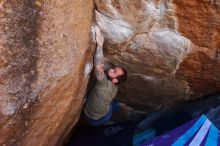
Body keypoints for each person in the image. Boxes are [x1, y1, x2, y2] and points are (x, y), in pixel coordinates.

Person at [83, 25, 127, 126]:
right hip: (105, 113)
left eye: (114, 72)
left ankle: (109, 118)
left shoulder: (103, 84)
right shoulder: (115, 87)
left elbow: (98, 66)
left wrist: (99, 45)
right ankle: (117, 107)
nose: (111, 69)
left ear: (115, 80)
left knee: (108, 109)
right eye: (114, 69)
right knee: (110, 106)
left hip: (92, 119)